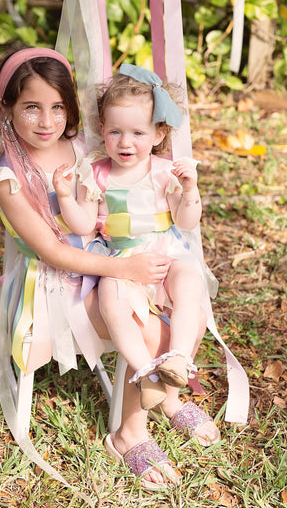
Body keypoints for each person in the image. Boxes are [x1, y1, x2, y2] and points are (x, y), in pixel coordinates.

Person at [0, 47, 218, 491]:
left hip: (111, 255)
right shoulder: (8, 178)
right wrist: (127, 269)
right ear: (6, 108)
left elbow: (128, 176)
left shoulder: (81, 145)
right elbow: (55, 252)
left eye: (57, 107)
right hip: (56, 280)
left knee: (188, 303)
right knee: (151, 331)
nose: (47, 121)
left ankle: (172, 397)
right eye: (31, 107)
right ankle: (129, 435)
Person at [53, 63, 220, 419]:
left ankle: (177, 357)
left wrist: (190, 191)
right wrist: (66, 198)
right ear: (102, 130)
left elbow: (186, 221)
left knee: (190, 282)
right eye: (115, 132)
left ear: (159, 134)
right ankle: (145, 372)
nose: (125, 142)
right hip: (120, 255)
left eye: (137, 133)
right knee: (112, 299)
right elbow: (83, 226)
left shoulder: (164, 171)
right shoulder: (96, 172)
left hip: (165, 253)